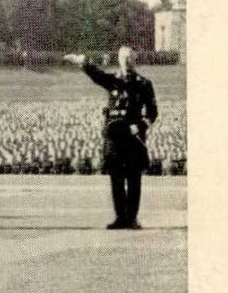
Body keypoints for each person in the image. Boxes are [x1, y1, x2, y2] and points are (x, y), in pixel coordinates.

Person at [65, 46, 158, 229]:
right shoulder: (113, 80)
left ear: (135, 59)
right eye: (124, 58)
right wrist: (83, 62)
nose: (127, 61)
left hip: (133, 137)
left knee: (133, 179)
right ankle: (120, 217)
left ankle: (131, 218)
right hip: (114, 137)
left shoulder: (144, 84)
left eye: (130, 57)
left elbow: (153, 113)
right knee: (115, 178)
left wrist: (138, 127)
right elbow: (97, 75)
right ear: (119, 60)